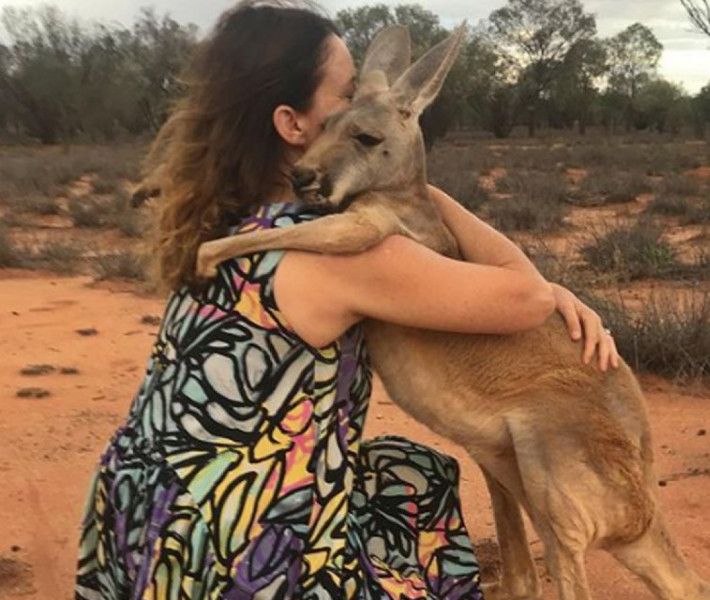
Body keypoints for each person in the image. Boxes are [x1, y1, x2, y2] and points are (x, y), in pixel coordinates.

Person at [74, 2, 620, 599]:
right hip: (234, 545)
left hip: (135, 514)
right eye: (348, 95)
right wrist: (402, 165)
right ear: (292, 125)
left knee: (409, 472)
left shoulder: (226, 216)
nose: (367, 105)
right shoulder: (342, 256)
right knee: (413, 510)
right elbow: (525, 298)